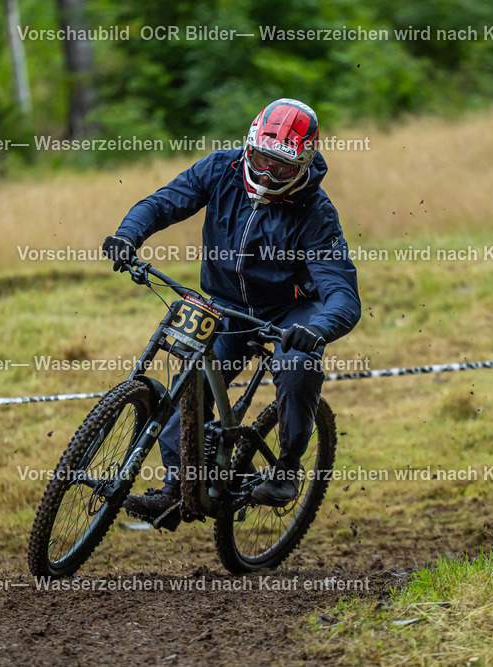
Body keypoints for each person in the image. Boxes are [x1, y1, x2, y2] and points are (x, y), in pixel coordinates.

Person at [102, 98, 361, 530]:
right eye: (261, 159)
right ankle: (177, 488)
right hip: (225, 305)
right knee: (190, 381)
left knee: (297, 363)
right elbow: (163, 203)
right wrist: (128, 236)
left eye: (281, 167)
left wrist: (316, 330)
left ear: (304, 164)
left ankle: (286, 470)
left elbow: (342, 295)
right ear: (248, 147)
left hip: (289, 311)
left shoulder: (317, 214)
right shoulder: (220, 169)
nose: (266, 174)